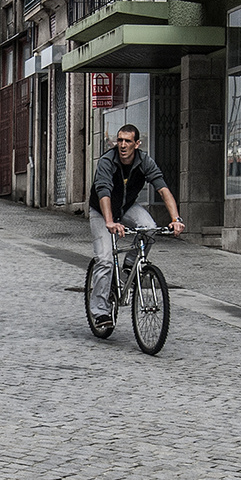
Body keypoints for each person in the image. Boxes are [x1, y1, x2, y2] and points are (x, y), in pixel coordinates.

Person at [87, 124, 184, 328]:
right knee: (104, 260)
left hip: (126, 207)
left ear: (137, 144)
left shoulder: (144, 161)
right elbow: (103, 191)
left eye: (127, 141)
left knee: (149, 228)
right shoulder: (107, 161)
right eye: (119, 140)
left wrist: (176, 219)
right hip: (101, 210)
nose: (122, 145)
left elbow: (163, 189)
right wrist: (110, 222)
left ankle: (130, 265)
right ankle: (100, 311)